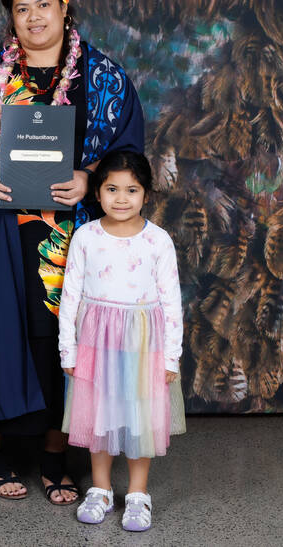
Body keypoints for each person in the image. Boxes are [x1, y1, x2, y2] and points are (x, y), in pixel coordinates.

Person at [0, 0, 145, 504]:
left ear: (64, 5)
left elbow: (127, 152)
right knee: (2, 333)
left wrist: (90, 178)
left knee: (63, 342)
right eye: (21, 8)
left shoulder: (103, 78)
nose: (34, 17)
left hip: (76, 232)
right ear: (10, 18)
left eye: (42, 4)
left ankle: (55, 455)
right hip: (4, 232)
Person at [58, 151, 186, 532]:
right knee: (100, 416)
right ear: (98, 192)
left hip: (143, 345)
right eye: (112, 189)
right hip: (97, 342)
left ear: (146, 194)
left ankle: (137, 494)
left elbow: (172, 302)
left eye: (132, 190)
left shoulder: (158, 241)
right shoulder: (85, 236)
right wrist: (70, 347)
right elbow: (71, 296)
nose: (121, 198)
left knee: (138, 417)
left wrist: (171, 358)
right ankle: (99, 489)